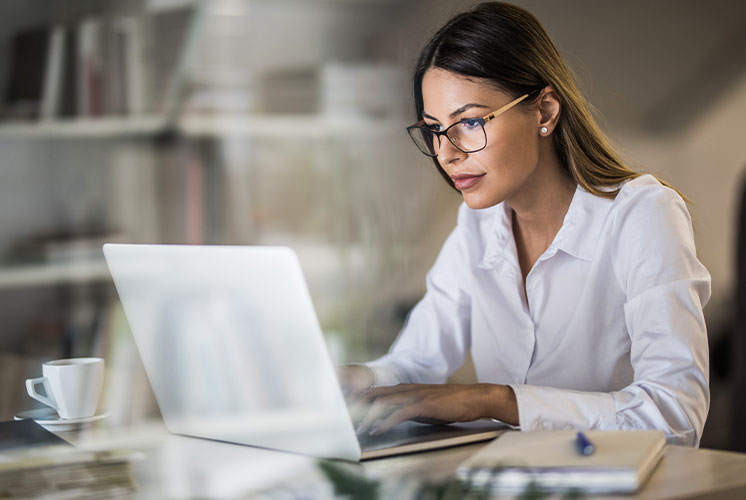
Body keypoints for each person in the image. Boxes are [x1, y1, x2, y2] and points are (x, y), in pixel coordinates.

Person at [337, 1, 710, 447]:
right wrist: (355, 380)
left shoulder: (642, 214)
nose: (447, 153)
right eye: (435, 129)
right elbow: (417, 363)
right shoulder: (478, 227)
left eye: (470, 122)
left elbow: (676, 415)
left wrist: (497, 401)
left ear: (545, 112)